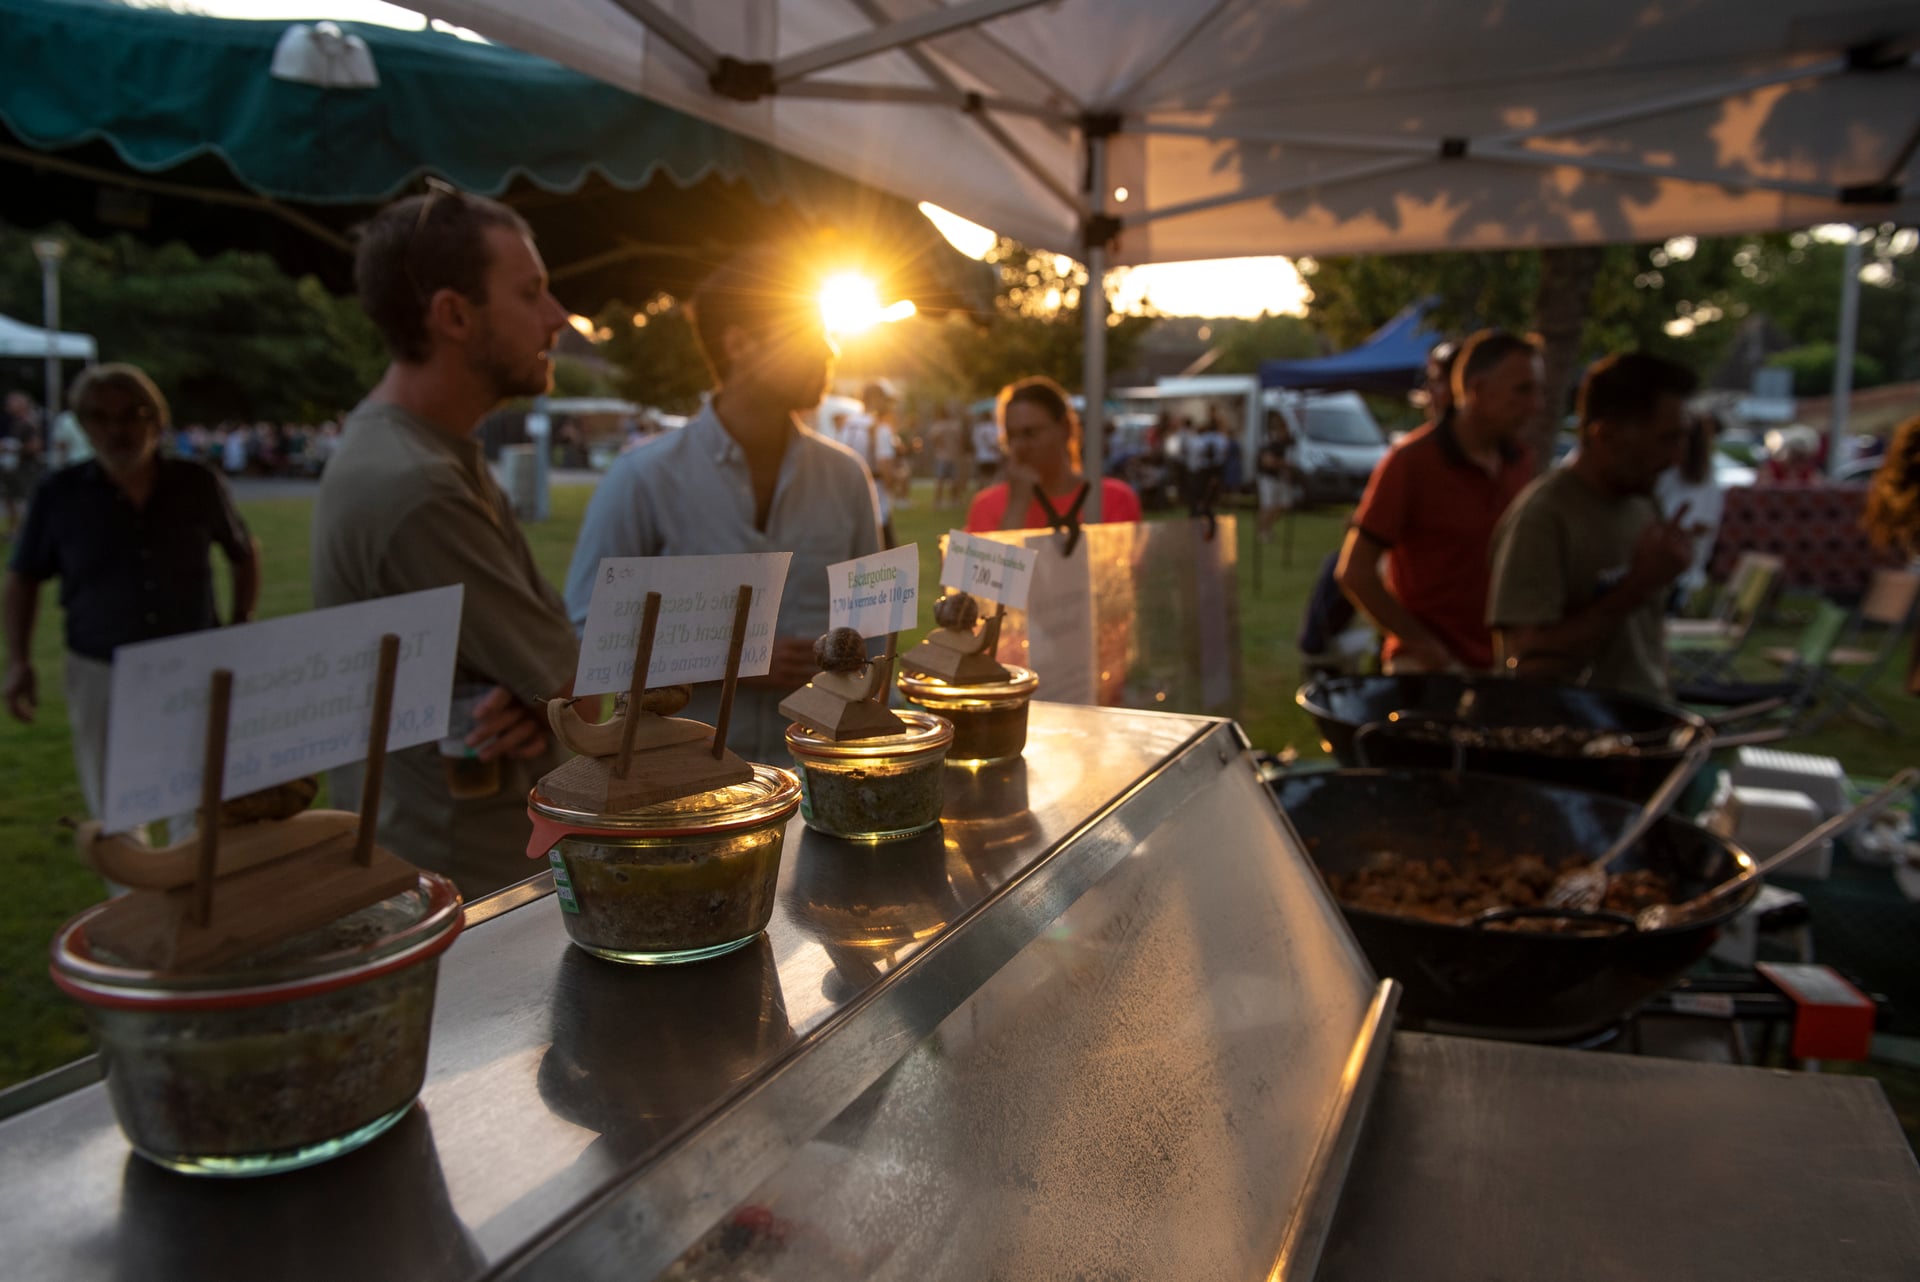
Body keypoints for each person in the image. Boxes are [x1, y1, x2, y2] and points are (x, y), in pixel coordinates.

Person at [311, 186, 580, 900]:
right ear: (453, 315)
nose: (558, 318)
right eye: (532, 293)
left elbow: (547, 673)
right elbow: (574, 678)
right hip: (462, 884)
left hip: (461, 856)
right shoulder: (416, 483)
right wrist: (552, 694)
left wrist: (541, 696)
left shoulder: (429, 452)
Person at [564, 247, 883, 764]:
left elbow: (876, 626)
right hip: (678, 784)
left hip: (816, 776)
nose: (829, 349)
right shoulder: (644, 478)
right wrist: (734, 660)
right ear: (740, 344)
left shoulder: (846, 476)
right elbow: (585, 638)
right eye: (807, 333)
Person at [5, 363, 260, 830]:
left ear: (156, 419)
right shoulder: (58, 494)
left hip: (192, 662)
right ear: (83, 424)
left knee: (200, 798)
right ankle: (133, 900)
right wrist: (19, 660)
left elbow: (243, 551)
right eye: (100, 417)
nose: (117, 428)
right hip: (101, 666)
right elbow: (23, 578)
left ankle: (191, 898)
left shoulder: (196, 483)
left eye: (131, 414)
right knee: (115, 808)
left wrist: (240, 621)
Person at [1487, 352, 1698, 701]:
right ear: (1607, 435)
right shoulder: (1544, 516)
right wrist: (1637, 587)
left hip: (1645, 727)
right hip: (1576, 739)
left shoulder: (1642, 500)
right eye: (1666, 440)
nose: (1676, 458)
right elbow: (1526, 663)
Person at [1337, 332, 1537, 673]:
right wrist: (1423, 646)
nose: (1536, 404)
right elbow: (1355, 572)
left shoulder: (1520, 461)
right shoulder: (1411, 461)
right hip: (1429, 671)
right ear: (1477, 390)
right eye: (1523, 390)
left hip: (1502, 665)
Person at [964, 376, 1142, 533]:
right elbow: (991, 571)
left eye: (1030, 433)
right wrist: (1016, 507)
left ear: (1065, 428)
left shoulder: (1112, 499)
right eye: (1011, 436)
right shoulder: (987, 506)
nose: (1020, 447)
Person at [1654, 410, 1727, 607]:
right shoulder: (1704, 478)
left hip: (1673, 575)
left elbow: (1701, 526)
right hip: (1681, 574)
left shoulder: (1700, 479)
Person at [835, 381, 902, 546]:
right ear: (879, 400)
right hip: (878, 504)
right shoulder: (879, 428)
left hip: (848, 501)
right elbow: (885, 466)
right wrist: (895, 479)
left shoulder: (847, 425)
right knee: (888, 562)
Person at [1255, 410, 1296, 543]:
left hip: (1278, 478)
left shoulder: (1285, 443)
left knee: (1282, 504)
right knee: (1268, 505)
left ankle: (1265, 528)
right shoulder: (1270, 441)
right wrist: (1284, 464)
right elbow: (1267, 461)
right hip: (1268, 478)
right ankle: (1263, 531)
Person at [927, 403, 966, 507]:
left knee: (940, 479)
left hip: (941, 455)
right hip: (954, 455)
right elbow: (961, 440)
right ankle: (954, 500)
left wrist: (940, 446)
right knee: (954, 479)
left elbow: (934, 439)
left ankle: (937, 501)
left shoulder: (938, 426)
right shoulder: (955, 425)